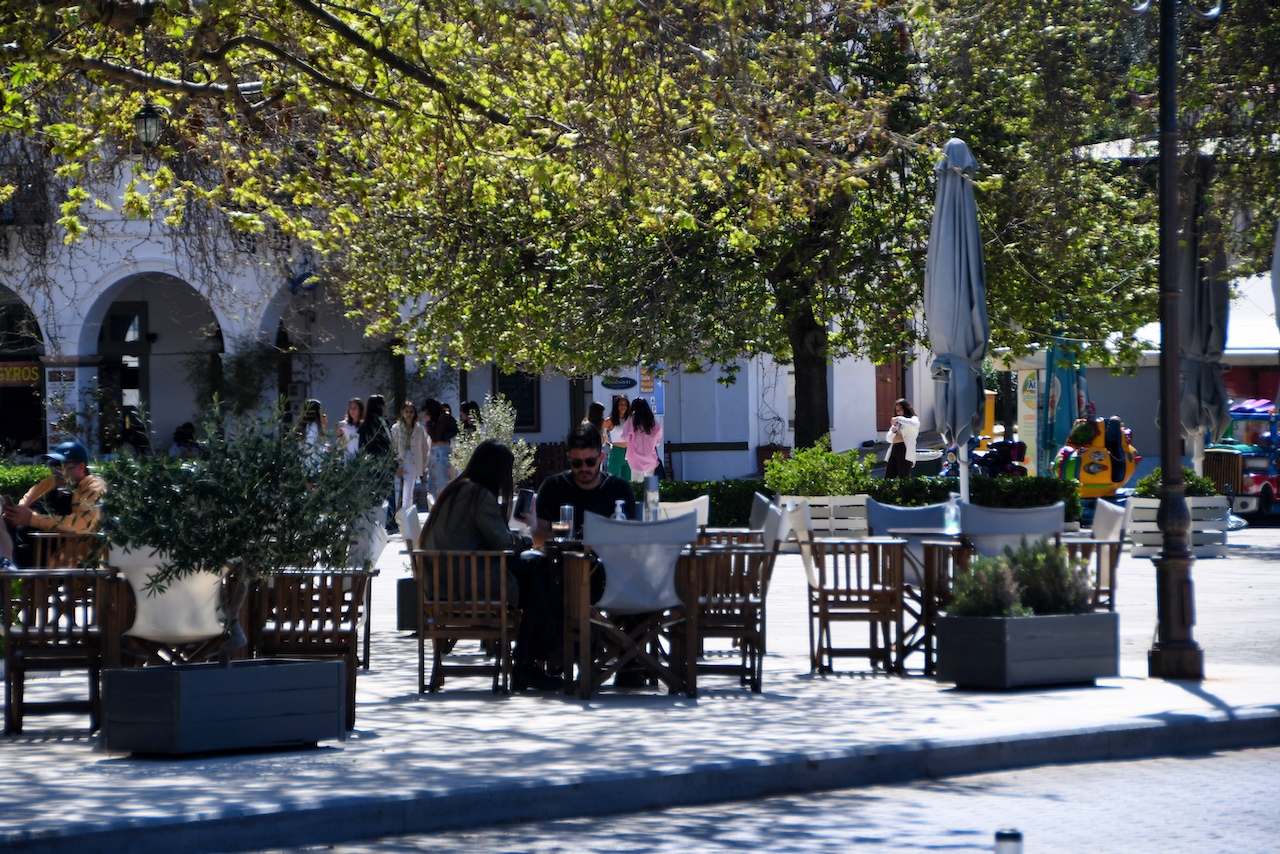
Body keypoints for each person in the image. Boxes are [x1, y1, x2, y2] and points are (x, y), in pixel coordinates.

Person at [418, 440, 560, 691]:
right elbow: (503, 542)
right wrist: (529, 537)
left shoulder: (457, 489)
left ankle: (532, 661)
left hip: (441, 583)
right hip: (466, 584)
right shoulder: (478, 496)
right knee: (537, 570)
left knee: (534, 578)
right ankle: (539, 656)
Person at [1, 440, 107, 569]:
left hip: (47, 554)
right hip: (18, 543)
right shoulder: (48, 484)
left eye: (59, 465)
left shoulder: (93, 487)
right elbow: (23, 506)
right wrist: (13, 516)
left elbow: (84, 523)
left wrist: (33, 519)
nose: (54, 470)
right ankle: (6, 563)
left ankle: (7, 563)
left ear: (80, 467)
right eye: (52, 464)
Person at [533, 423, 636, 546]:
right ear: (569, 458)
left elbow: (632, 536)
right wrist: (575, 539)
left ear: (601, 457)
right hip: (564, 556)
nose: (584, 468)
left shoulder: (619, 489)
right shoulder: (553, 487)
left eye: (590, 462)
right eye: (577, 462)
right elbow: (538, 536)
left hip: (607, 556)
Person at [358, 394, 396, 533]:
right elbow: (387, 443)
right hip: (381, 459)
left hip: (370, 460)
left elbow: (361, 445)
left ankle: (374, 521)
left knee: (374, 492)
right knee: (388, 491)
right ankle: (389, 521)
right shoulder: (379, 422)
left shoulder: (367, 424)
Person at [391, 400, 430, 519]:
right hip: (399, 459)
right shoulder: (396, 428)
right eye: (406, 411)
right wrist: (395, 464)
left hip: (413, 459)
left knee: (409, 490)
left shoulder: (419, 429)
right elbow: (392, 446)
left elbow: (424, 448)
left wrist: (423, 467)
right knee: (396, 488)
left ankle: (406, 517)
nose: (408, 414)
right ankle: (393, 515)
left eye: (411, 411)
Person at [618, 397, 662, 482]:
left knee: (636, 482)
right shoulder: (651, 420)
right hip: (650, 456)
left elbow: (624, 437)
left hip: (635, 457)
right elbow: (658, 434)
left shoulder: (632, 419)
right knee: (650, 483)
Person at [422, 398, 459, 499]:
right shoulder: (438, 419)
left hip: (440, 453)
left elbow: (435, 437)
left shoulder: (444, 418)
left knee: (442, 487)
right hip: (435, 453)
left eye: (427, 413)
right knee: (432, 487)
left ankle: (444, 507)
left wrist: (428, 422)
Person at [883, 398, 920, 479]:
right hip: (894, 449)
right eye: (897, 411)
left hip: (905, 450)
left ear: (906, 409)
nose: (898, 413)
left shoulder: (913, 419)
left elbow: (915, 424)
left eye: (900, 410)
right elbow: (888, 439)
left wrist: (899, 419)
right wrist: (893, 432)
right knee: (888, 477)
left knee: (903, 478)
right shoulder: (897, 423)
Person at [603, 395, 631, 481]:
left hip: (629, 453)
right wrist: (607, 443)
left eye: (625, 404)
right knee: (614, 482)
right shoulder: (610, 420)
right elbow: (598, 432)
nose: (623, 407)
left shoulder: (630, 419)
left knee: (627, 483)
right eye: (620, 404)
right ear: (616, 406)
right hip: (616, 453)